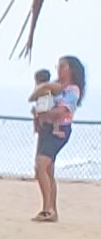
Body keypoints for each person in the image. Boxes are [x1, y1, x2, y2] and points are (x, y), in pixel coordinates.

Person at [34, 57, 84, 222]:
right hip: (46, 128)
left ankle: (48, 209)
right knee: (46, 170)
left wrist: (45, 114)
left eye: (63, 66)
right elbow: (39, 100)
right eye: (59, 66)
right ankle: (49, 208)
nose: (59, 69)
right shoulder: (54, 86)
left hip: (60, 129)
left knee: (41, 164)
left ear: (71, 69)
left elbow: (62, 111)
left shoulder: (72, 90)